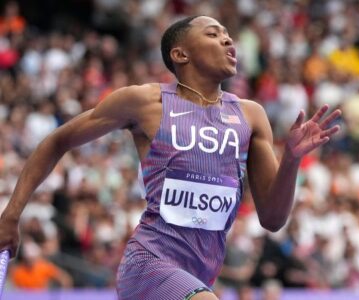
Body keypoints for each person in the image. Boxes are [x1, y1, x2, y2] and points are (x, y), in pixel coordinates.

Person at [0, 15, 341, 300]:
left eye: (227, 35)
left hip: (200, 275)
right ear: (180, 54)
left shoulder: (250, 116)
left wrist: (292, 159)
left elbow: (273, 218)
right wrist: (11, 215)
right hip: (150, 263)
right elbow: (57, 141)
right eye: (213, 34)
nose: (228, 40)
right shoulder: (146, 102)